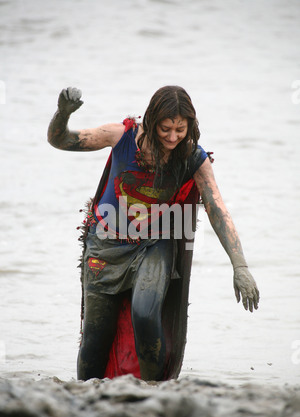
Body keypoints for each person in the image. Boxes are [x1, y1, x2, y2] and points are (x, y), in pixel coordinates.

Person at [47, 86, 259, 382]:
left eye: (180, 130)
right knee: (95, 337)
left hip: (154, 245)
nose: (173, 138)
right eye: (165, 129)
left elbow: (216, 207)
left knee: (145, 314)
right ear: (150, 121)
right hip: (105, 244)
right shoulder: (120, 136)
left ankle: (153, 392)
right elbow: (60, 140)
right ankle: (85, 396)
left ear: (191, 127)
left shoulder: (192, 158)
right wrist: (63, 114)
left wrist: (240, 266)